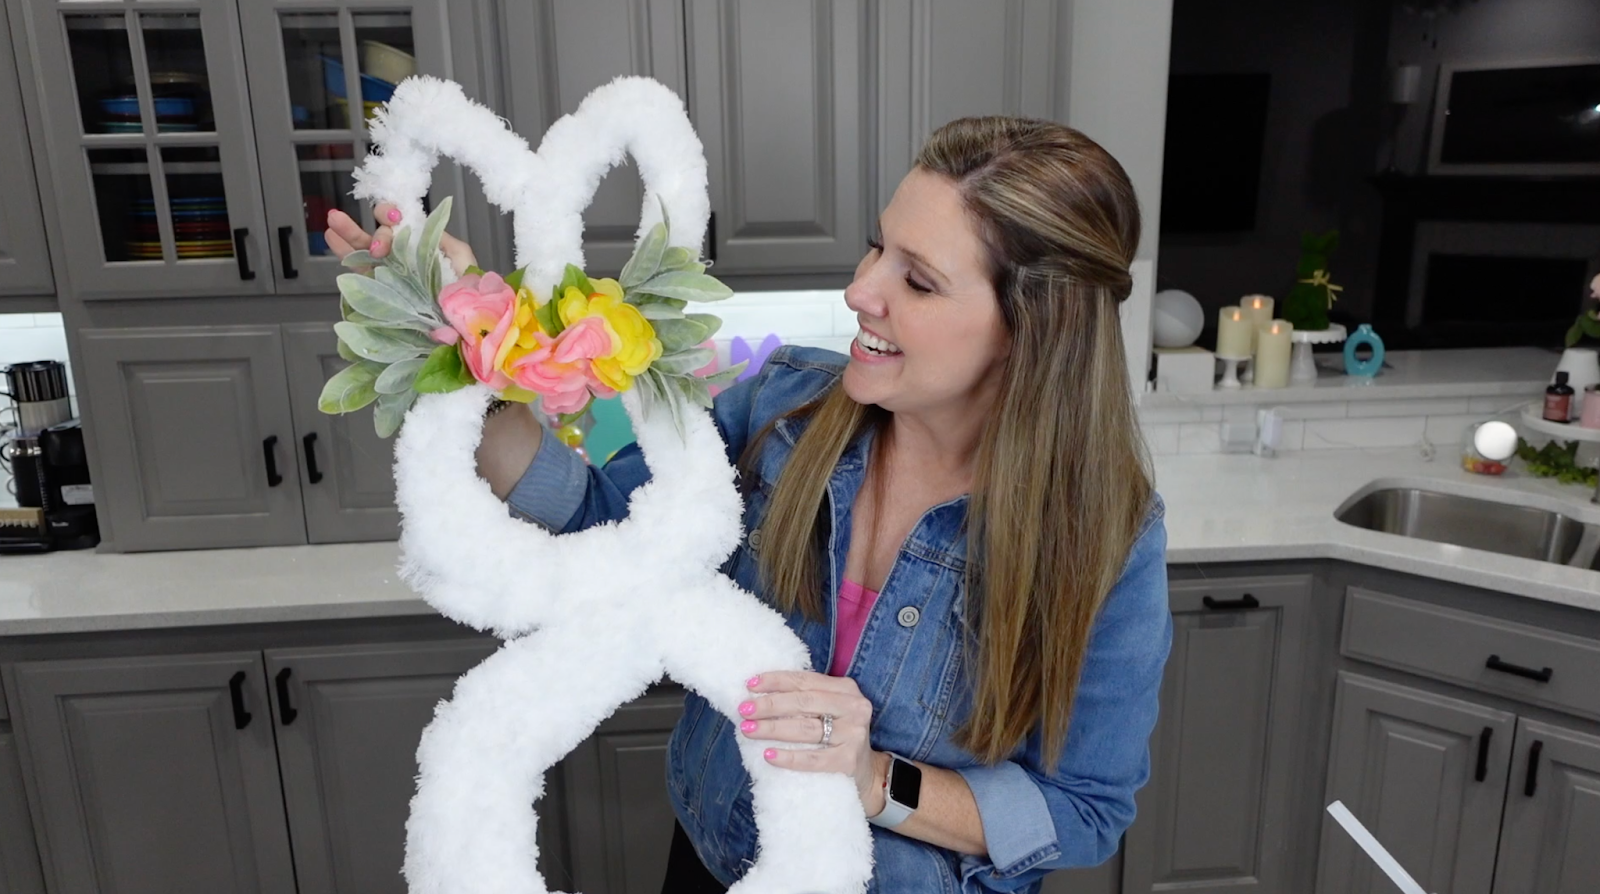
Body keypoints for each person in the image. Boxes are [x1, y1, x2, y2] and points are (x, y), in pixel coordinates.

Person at [326, 116, 1172, 893]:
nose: (861, 291)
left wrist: (873, 779)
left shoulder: (1103, 538)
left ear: (1031, 328)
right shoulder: (782, 409)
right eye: (877, 247)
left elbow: (1086, 811)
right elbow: (601, 524)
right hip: (708, 863)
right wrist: (470, 349)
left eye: (916, 280)